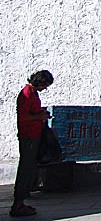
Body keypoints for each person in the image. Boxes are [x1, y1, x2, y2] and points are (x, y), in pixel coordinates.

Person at [10, 70, 54, 218]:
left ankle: (22, 199)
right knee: (26, 167)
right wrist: (39, 116)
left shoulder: (33, 93)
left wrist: (41, 113)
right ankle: (18, 202)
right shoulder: (27, 93)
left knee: (30, 167)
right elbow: (23, 117)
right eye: (44, 85)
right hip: (28, 136)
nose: (44, 88)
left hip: (34, 134)